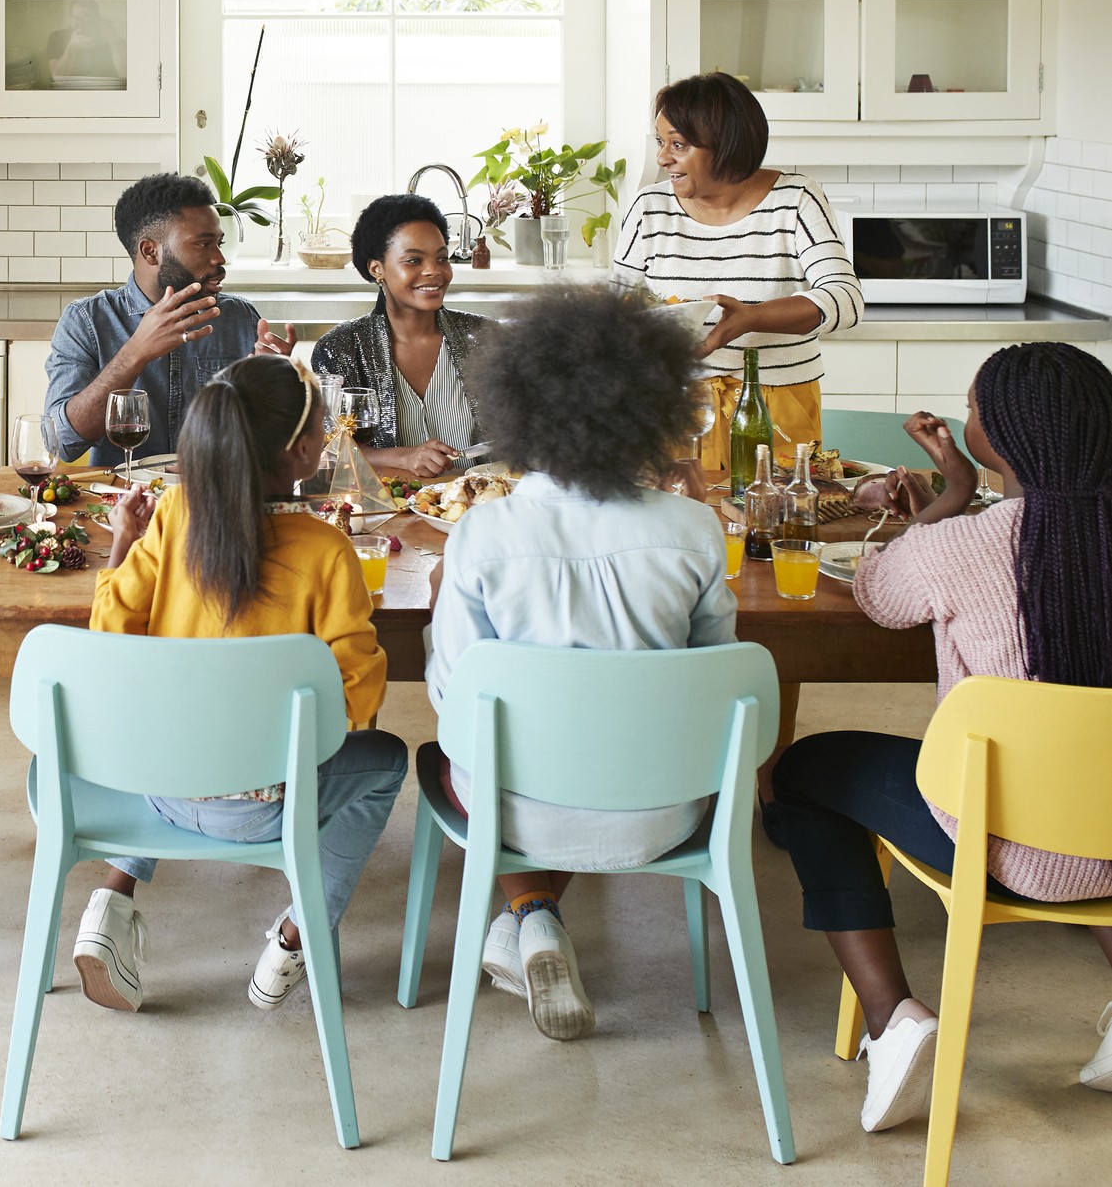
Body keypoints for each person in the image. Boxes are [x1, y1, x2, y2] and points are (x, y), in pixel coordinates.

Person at [770, 342, 1112, 1134]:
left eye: (973, 410)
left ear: (1001, 437)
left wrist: (945, 497)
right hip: (1106, 834)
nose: (965, 419)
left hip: (1006, 846)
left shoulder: (959, 547)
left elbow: (879, 596)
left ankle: (892, 1020)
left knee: (802, 769)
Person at [425, 286, 734, 1042]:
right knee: (580, 747)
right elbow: (717, 682)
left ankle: (528, 917)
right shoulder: (694, 530)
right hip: (664, 812)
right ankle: (528, 920)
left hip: (521, 811)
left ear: (518, 410)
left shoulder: (483, 534)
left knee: (463, 750)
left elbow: (454, 701)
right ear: (652, 408)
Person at [73, 354, 406, 1013]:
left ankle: (110, 899)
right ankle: (295, 935)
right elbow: (356, 703)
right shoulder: (323, 550)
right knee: (387, 760)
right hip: (259, 809)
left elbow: (108, 628)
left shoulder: (172, 515)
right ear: (302, 451)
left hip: (158, 786)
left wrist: (122, 543)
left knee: (178, 721)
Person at [613, 72, 863, 469]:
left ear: (726, 146)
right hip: (672, 407)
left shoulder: (796, 198)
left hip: (775, 404)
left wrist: (749, 319)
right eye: (661, 142)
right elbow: (618, 308)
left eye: (678, 144)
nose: (662, 158)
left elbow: (844, 301)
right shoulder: (649, 207)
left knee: (775, 518)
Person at [45, 172, 295, 467]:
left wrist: (276, 386)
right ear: (151, 252)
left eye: (219, 243)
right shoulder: (87, 321)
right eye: (203, 244)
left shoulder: (239, 318)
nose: (220, 258)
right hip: (122, 502)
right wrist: (136, 352)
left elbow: (272, 441)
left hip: (216, 498)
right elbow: (63, 442)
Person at [309, 193, 493, 478]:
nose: (434, 271)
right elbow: (329, 450)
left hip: (487, 505)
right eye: (413, 261)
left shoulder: (488, 338)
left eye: (442, 258)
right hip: (391, 514)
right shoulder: (341, 348)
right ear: (377, 269)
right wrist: (406, 457)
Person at [47, 0, 124, 81]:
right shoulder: (58, 37)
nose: (80, 23)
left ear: (96, 18)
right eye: (76, 18)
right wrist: (71, 47)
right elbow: (57, 76)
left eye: (86, 17)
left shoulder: (110, 37)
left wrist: (114, 41)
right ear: (70, 17)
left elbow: (125, 74)